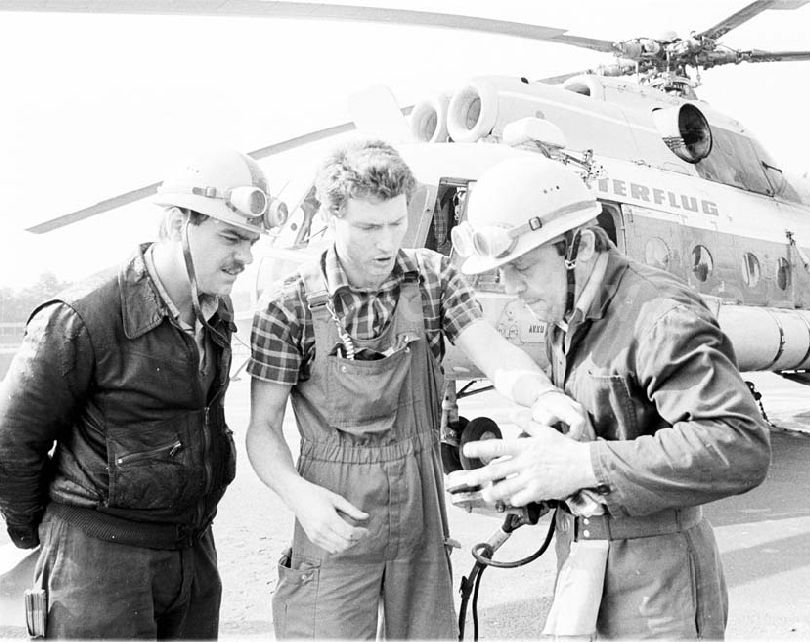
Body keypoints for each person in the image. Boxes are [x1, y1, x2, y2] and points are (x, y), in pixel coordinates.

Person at [244, 138, 587, 639]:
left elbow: (494, 353)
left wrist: (543, 394)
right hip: (334, 515)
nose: (386, 243)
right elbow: (261, 429)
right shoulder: (288, 306)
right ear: (330, 217)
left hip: (419, 514)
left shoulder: (431, 277)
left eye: (395, 223)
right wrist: (300, 498)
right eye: (367, 227)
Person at [455, 155, 772, 639]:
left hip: (658, 589)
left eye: (521, 267)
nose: (510, 287)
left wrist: (583, 467)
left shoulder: (659, 315)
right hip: (586, 570)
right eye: (500, 272)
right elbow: (598, 432)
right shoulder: (569, 314)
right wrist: (524, 486)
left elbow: (738, 444)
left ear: (578, 246)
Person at [0, 148, 284, 639]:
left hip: (191, 553)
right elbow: (11, 439)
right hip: (100, 563)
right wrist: (37, 533)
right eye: (231, 237)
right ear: (177, 225)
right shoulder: (83, 318)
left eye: (251, 240)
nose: (246, 257)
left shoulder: (216, 310)